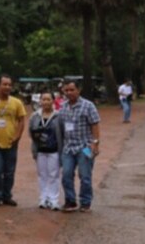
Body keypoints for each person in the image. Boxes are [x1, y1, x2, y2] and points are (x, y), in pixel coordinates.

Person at [57, 80, 101, 212]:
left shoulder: (88, 106)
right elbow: (61, 126)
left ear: (78, 90)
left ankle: (85, 202)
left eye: (72, 90)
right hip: (68, 147)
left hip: (85, 147)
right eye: (66, 90)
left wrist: (95, 143)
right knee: (66, 174)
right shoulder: (63, 107)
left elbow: (95, 125)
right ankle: (70, 201)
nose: (69, 93)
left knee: (85, 175)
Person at [0, 74, 27, 207]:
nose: (7, 87)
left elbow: (21, 120)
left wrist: (17, 136)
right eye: (4, 84)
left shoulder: (17, 103)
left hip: (11, 142)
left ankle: (7, 195)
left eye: (9, 85)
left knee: (9, 171)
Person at [29, 92, 63, 211]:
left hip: (54, 150)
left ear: (53, 101)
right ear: (40, 101)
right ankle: (43, 198)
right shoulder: (35, 116)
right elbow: (31, 132)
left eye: (49, 99)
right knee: (42, 175)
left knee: (54, 175)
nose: (46, 102)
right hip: (40, 150)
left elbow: (62, 133)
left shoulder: (58, 116)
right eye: (44, 99)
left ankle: (54, 200)